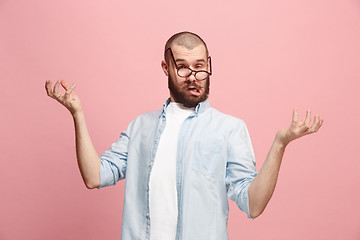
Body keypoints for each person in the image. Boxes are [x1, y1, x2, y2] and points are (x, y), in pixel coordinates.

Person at [45, 31, 323, 240]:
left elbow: (254, 204)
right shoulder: (140, 127)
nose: (193, 75)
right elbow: (95, 177)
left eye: (200, 66)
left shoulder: (230, 129)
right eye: (182, 66)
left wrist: (279, 144)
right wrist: (77, 114)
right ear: (166, 68)